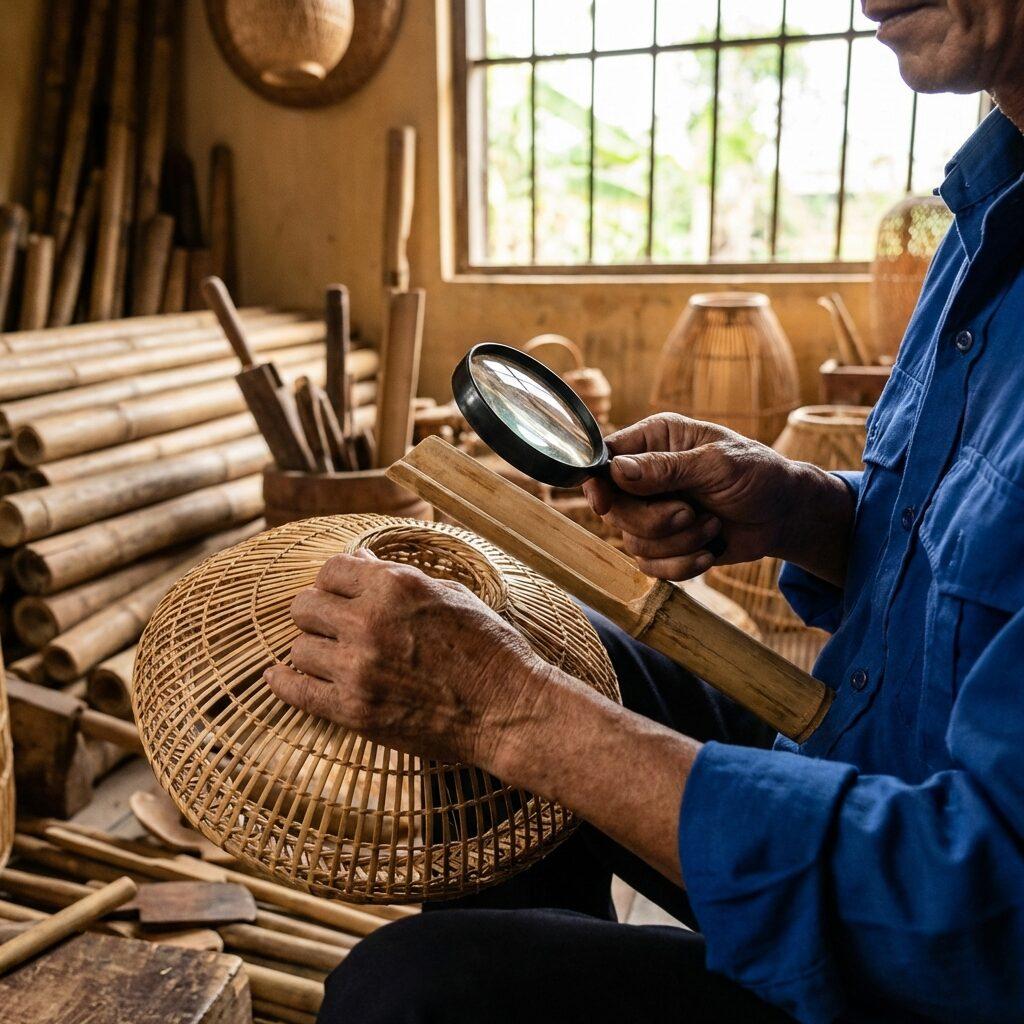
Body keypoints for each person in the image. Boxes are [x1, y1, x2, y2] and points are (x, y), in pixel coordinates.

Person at [267, 2, 1024, 1021]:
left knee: (402, 993)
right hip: (868, 756)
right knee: (546, 633)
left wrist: (511, 711)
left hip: (946, 948)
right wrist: (802, 512)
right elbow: (980, 554)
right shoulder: (992, 212)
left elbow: (982, 910)